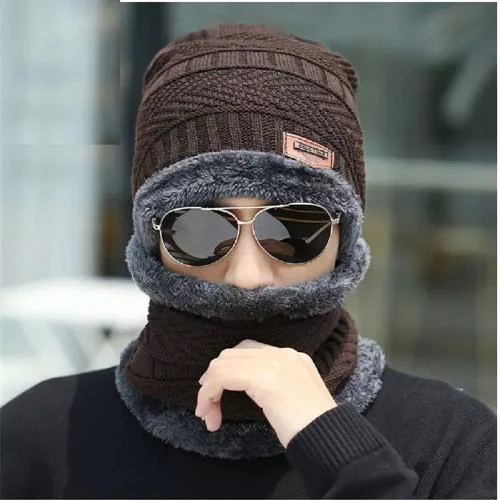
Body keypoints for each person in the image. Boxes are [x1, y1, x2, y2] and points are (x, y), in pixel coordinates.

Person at [0, 23, 496, 499]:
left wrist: (339, 451)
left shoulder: (452, 445)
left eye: (294, 230)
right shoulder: (41, 441)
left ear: (343, 239)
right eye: (198, 230)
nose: (246, 276)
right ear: (152, 241)